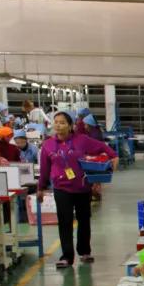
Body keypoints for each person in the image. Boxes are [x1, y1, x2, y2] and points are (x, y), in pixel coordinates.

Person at [37, 109, 116, 268]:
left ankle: (84, 251)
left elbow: (102, 147)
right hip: (61, 188)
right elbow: (44, 168)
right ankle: (67, 256)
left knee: (84, 220)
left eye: (62, 123)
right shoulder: (48, 145)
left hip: (82, 187)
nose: (58, 126)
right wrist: (40, 188)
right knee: (64, 221)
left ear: (71, 125)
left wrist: (114, 156)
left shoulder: (82, 140)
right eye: (56, 122)